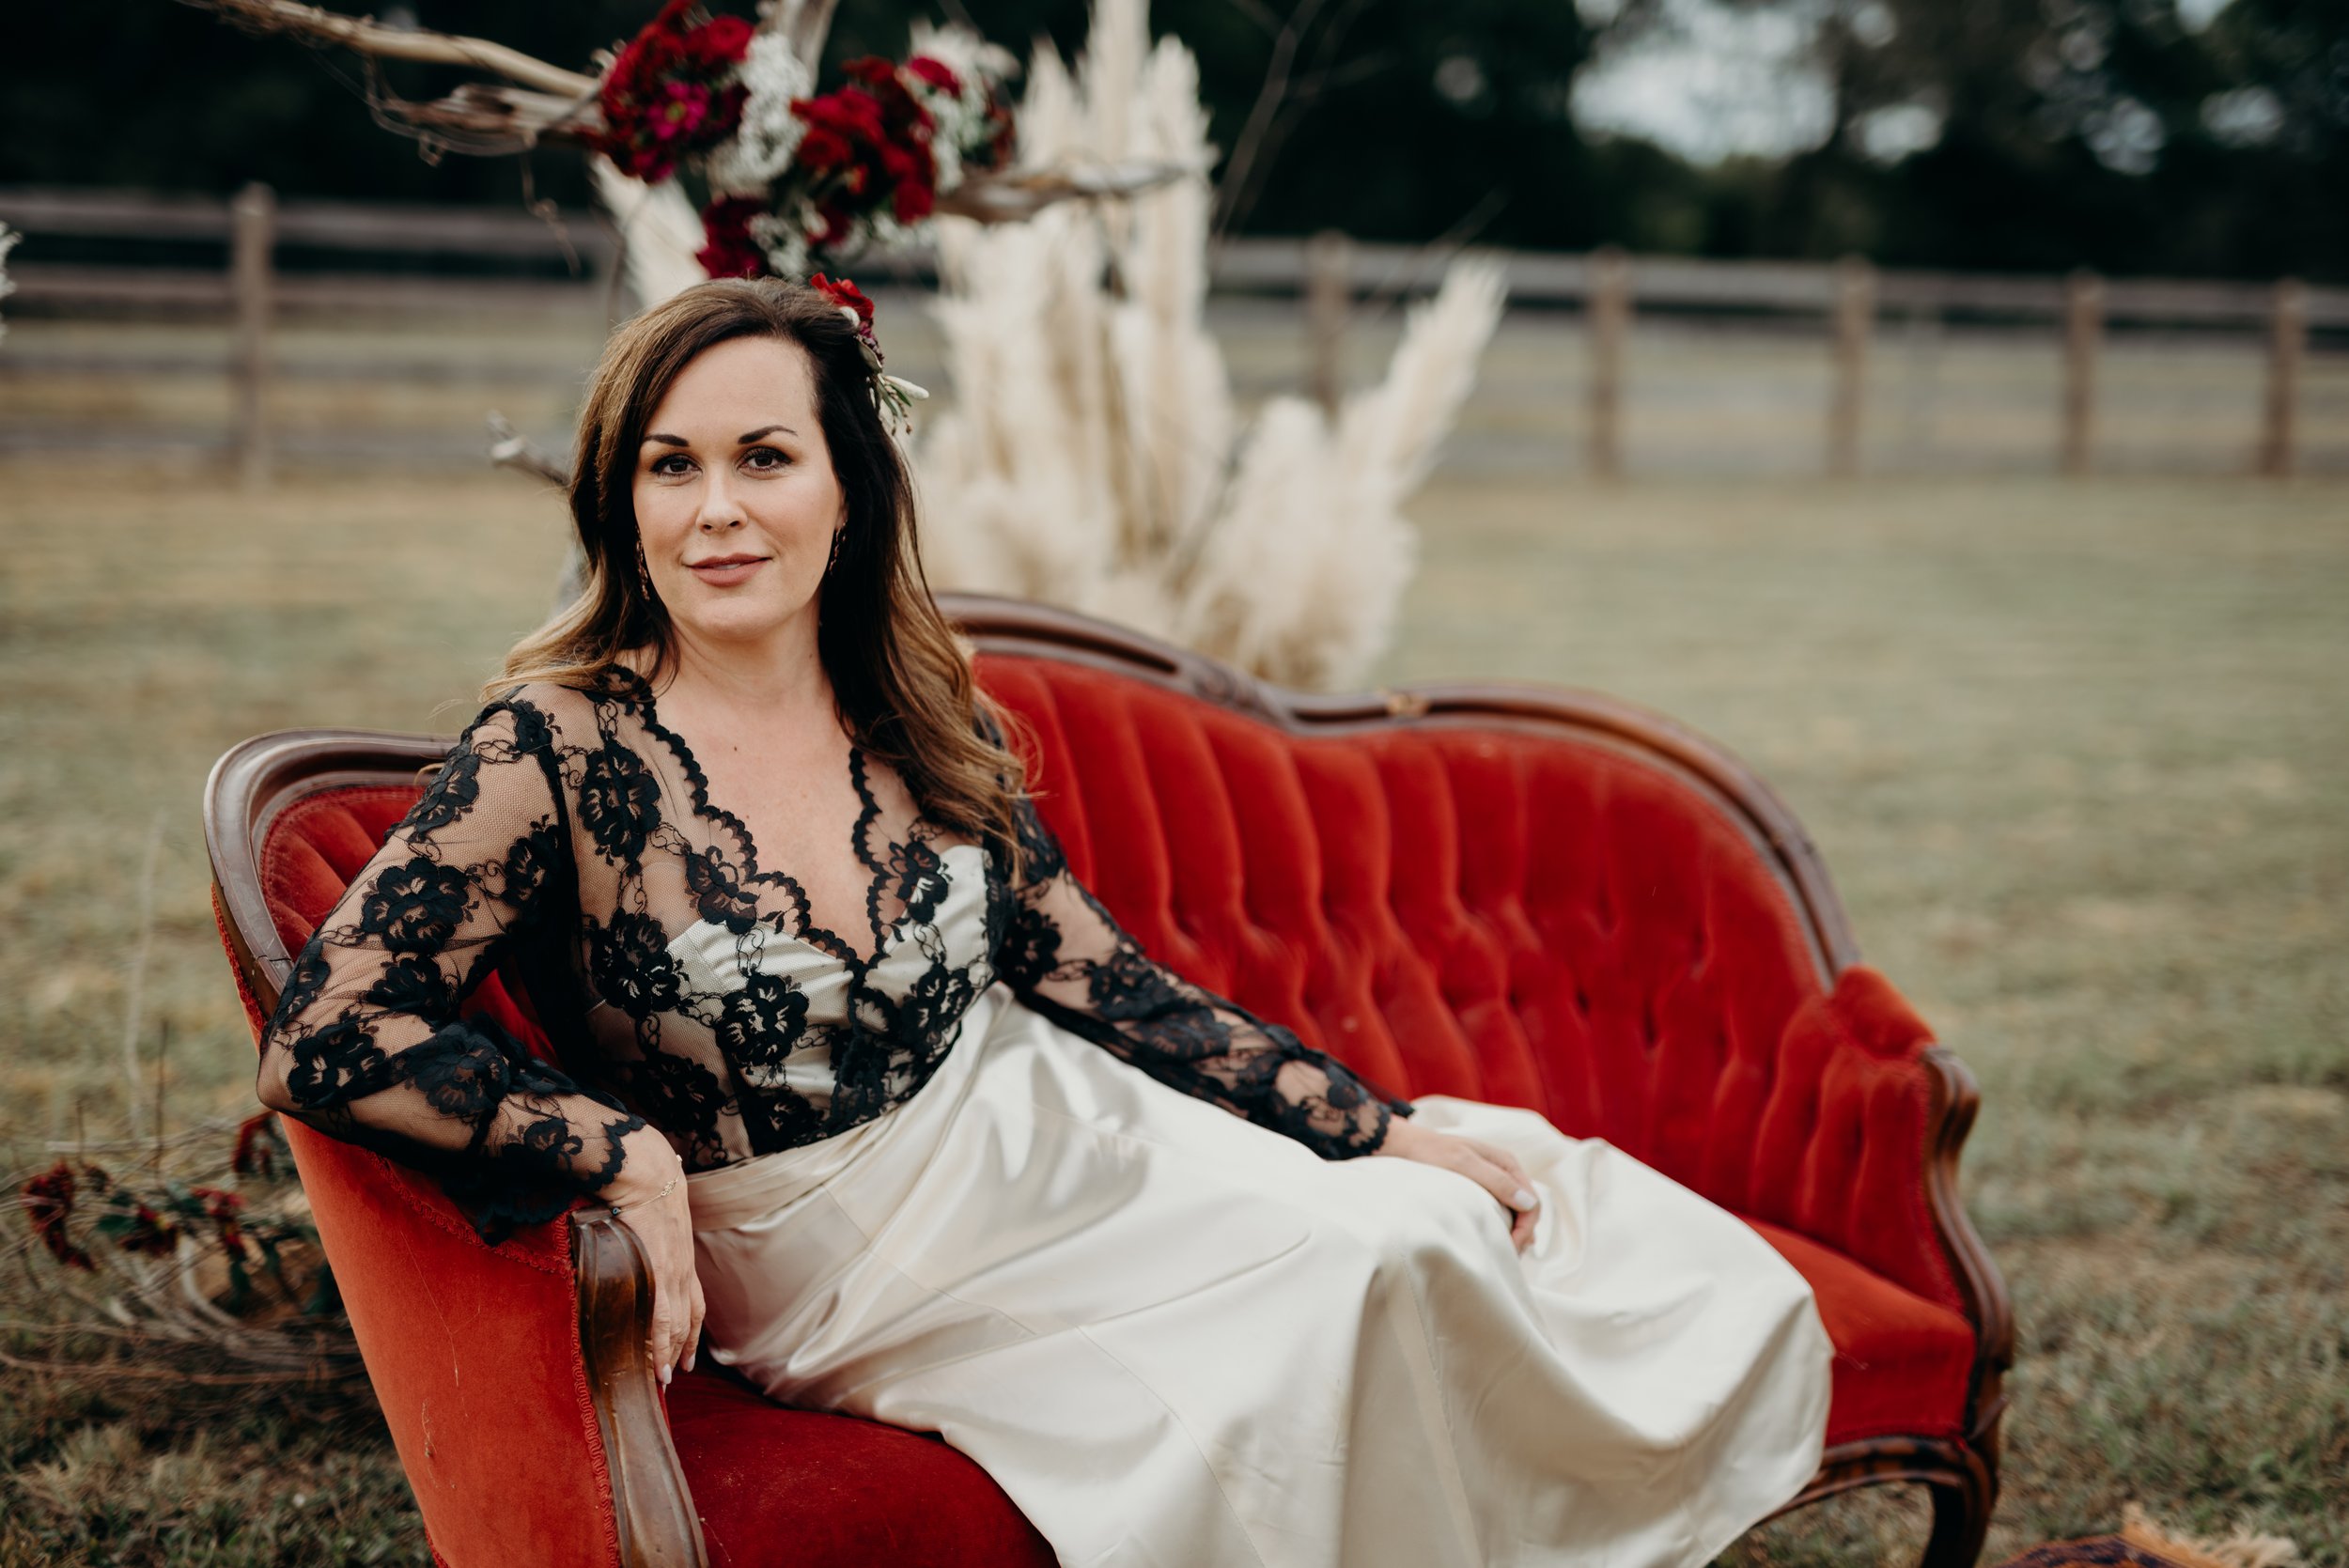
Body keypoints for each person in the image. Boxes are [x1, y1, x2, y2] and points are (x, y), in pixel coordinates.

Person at [257, 274, 1831, 1568]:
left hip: (1049, 1123)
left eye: (764, 457)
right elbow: (326, 1033)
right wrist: (618, 1147)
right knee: (1319, 1312)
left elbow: (1099, 978)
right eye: (672, 465)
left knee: (1427, 1218)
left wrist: (1366, 1120)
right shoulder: (555, 749)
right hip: (837, 1254)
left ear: (849, 487)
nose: (717, 511)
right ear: (622, 499)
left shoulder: (922, 713)